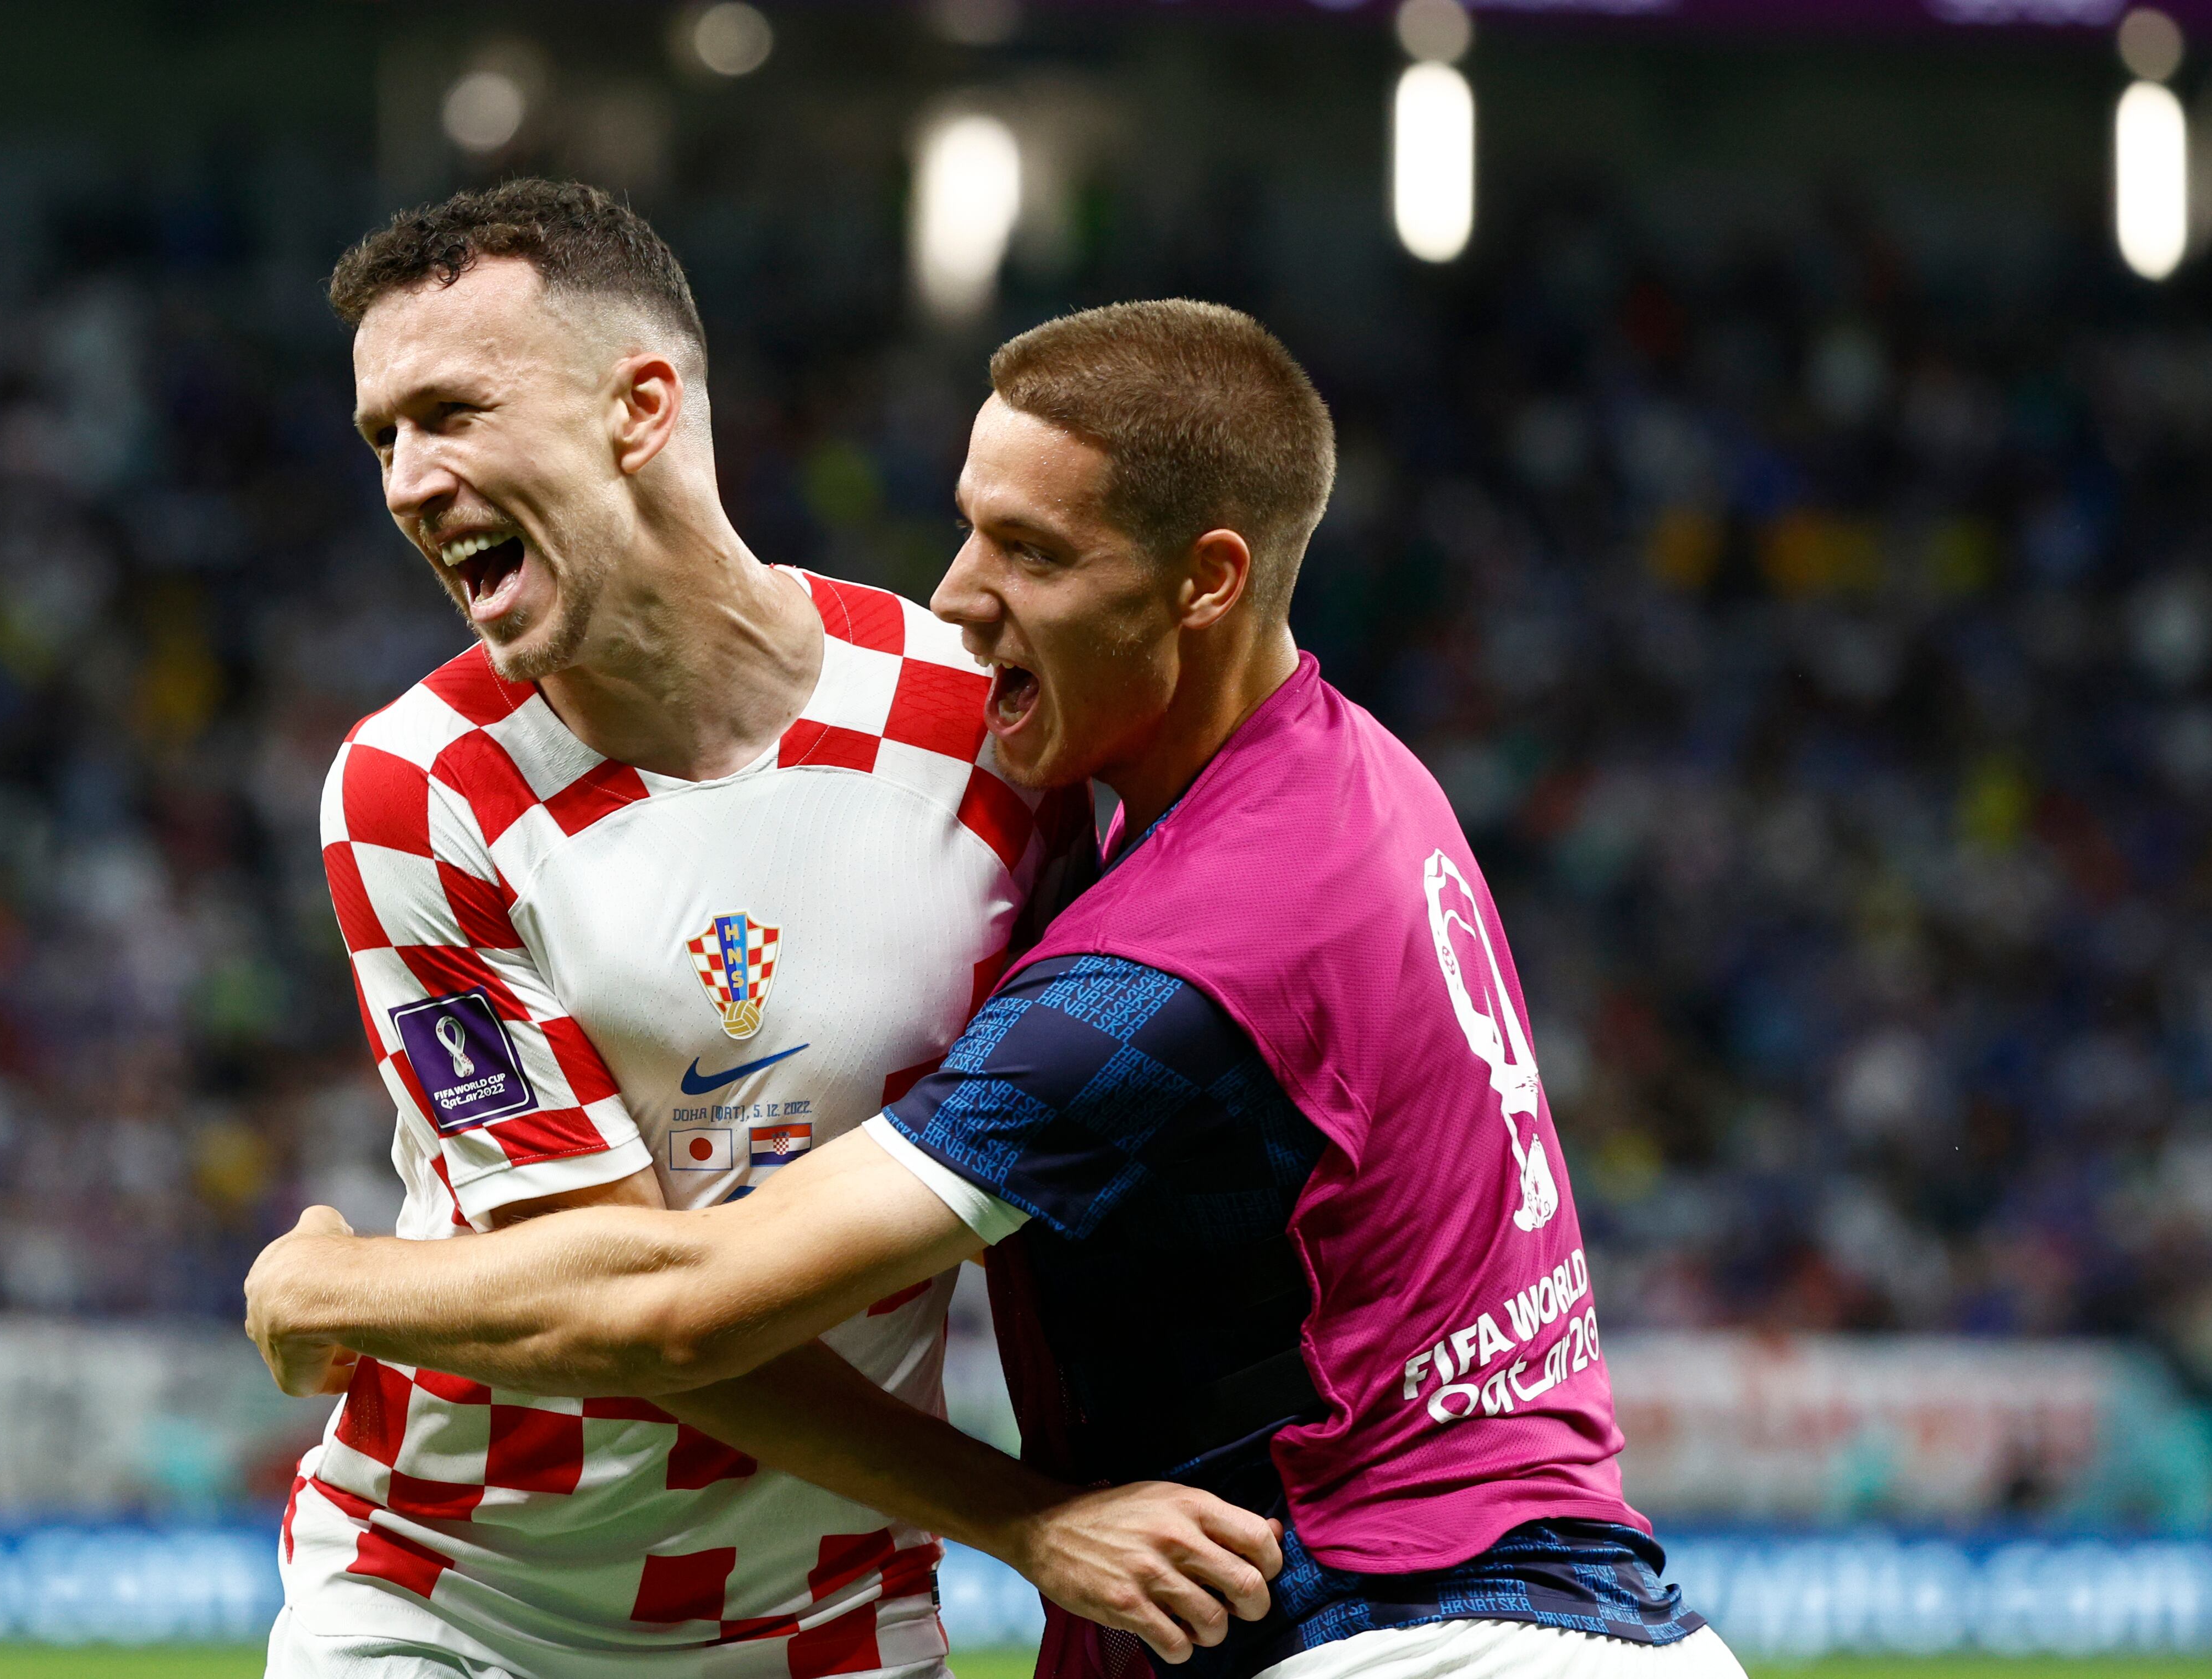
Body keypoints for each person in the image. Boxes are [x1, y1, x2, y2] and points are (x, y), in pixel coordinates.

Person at [249, 299, 1752, 1679]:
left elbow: (685, 1309)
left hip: (1405, 1630)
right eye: (969, 532)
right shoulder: (1350, 773)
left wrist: (334, 1288)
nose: (961, 598)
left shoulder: (1166, 955)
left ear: (1204, 582)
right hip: (1519, 1600)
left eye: (1032, 553)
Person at [267, 183, 1280, 1679]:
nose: (413, 479)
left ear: (641, 407)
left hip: (826, 1626)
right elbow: (626, 1305)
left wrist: (333, 1288)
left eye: (453, 412)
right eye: (384, 440)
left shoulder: (981, 726)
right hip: (450, 1594)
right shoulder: (421, 788)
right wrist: (1028, 1522)